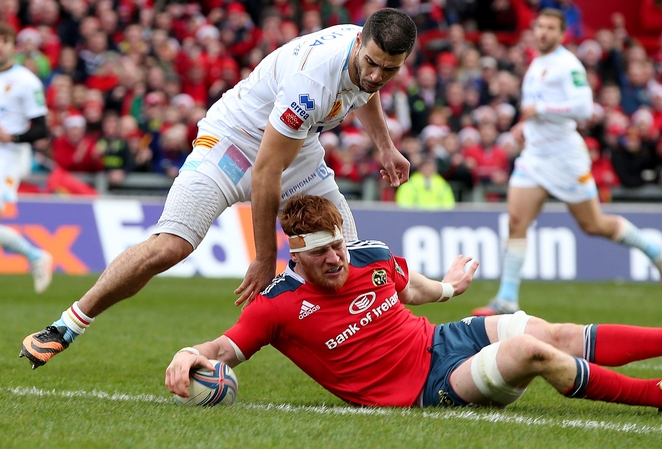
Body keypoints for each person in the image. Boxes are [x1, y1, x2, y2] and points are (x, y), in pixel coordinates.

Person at [20, 9, 417, 369]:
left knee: (350, 256)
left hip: (295, 150)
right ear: (360, 42)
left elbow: (364, 90)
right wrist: (265, 258)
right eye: (372, 64)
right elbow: (265, 173)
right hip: (233, 145)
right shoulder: (310, 83)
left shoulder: (368, 52)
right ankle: (65, 326)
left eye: (389, 69)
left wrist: (385, 146)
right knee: (169, 246)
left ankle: (370, 363)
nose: (377, 76)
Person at [165, 194, 662, 414]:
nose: (337, 258)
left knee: (546, 329)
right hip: (421, 390)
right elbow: (226, 347)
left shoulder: (370, 255)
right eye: (324, 254)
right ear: (297, 255)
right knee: (527, 350)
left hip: (440, 342)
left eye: (339, 244)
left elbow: (412, 290)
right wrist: (192, 352)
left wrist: (452, 288)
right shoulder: (277, 305)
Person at [473, 9, 662, 317]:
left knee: (594, 225)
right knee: (516, 221)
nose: (543, 33)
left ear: (562, 34)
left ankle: (655, 251)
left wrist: (540, 108)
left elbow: (584, 108)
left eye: (550, 28)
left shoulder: (568, 64)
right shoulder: (537, 62)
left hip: (565, 157)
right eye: (540, 26)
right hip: (535, 156)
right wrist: (524, 126)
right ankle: (507, 299)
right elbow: (537, 113)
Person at [0, 22, 53, 294]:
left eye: (4, 41)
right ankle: (35, 256)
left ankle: (35, 256)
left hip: (10, 155)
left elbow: (43, 128)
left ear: (12, 46)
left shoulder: (26, 81)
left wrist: (13, 138)